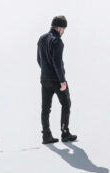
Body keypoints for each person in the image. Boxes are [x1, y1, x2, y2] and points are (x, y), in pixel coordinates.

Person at [37, 15, 77, 144]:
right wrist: (62, 81)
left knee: (45, 108)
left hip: (44, 79)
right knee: (66, 104)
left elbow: (39, 59)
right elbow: (57, 62)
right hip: (56, 80)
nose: (64, 31)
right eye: (64, 28)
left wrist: (45, 72)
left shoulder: (42, 39)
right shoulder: (57, 41)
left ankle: (46, 135)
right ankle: (65, 133)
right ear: (60, 28)